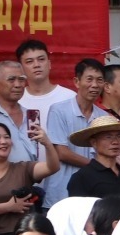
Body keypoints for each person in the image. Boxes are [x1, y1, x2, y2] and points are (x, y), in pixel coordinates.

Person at [42, 59, 107, 206]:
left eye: (99, 80)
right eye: (89, 79)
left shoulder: (104, 117)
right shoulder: (59, 110)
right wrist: (98, 166)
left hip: (92, 194)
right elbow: (61, 153)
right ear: (77, 82)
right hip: (61, 193)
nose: (95, 85)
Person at [66, 115, 120, 200]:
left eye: (119, 136)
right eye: (108, 137)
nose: (115, 142)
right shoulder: (82, 177)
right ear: (94, 143)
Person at [0, 61, 37, 165]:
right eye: (11, 79)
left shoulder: (31, 115)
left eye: (21, 79)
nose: (18, 85)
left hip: (34, 174)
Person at [15, 39, 74, 117]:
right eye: (29, 61)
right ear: (21, 68)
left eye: (41, 59)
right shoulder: (16, 100)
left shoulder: (69, 98)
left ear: (49, 64)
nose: (36, 65)